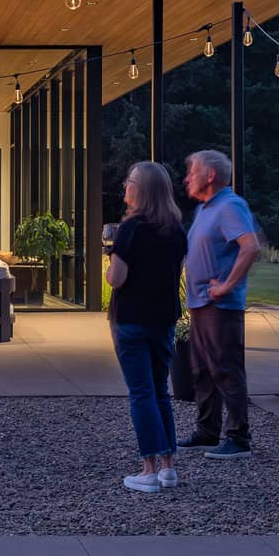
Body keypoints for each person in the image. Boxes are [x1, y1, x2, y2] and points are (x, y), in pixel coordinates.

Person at [106, 161, 188, 493]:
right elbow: (174, 273)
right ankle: (168, 467)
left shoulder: (130, 229)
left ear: (141, 190)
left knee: (141, 393)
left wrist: (109, 265)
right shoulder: (176, 230)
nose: (125, 185)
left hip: (131, 319)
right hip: (163, 318)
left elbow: (117, 279)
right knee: (160, 390)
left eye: (130, 181)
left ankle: (148, 469)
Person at [178, 149, 260, 460]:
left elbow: (250, 246)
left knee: (226, 369)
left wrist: (227, 285)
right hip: (201, 303)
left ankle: (238, 438)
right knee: (202, 369)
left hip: (221, 306)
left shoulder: (230, 205)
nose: (187, 178)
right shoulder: (205, 209)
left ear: (210, 175)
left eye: (193, 172)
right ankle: (207, 431)